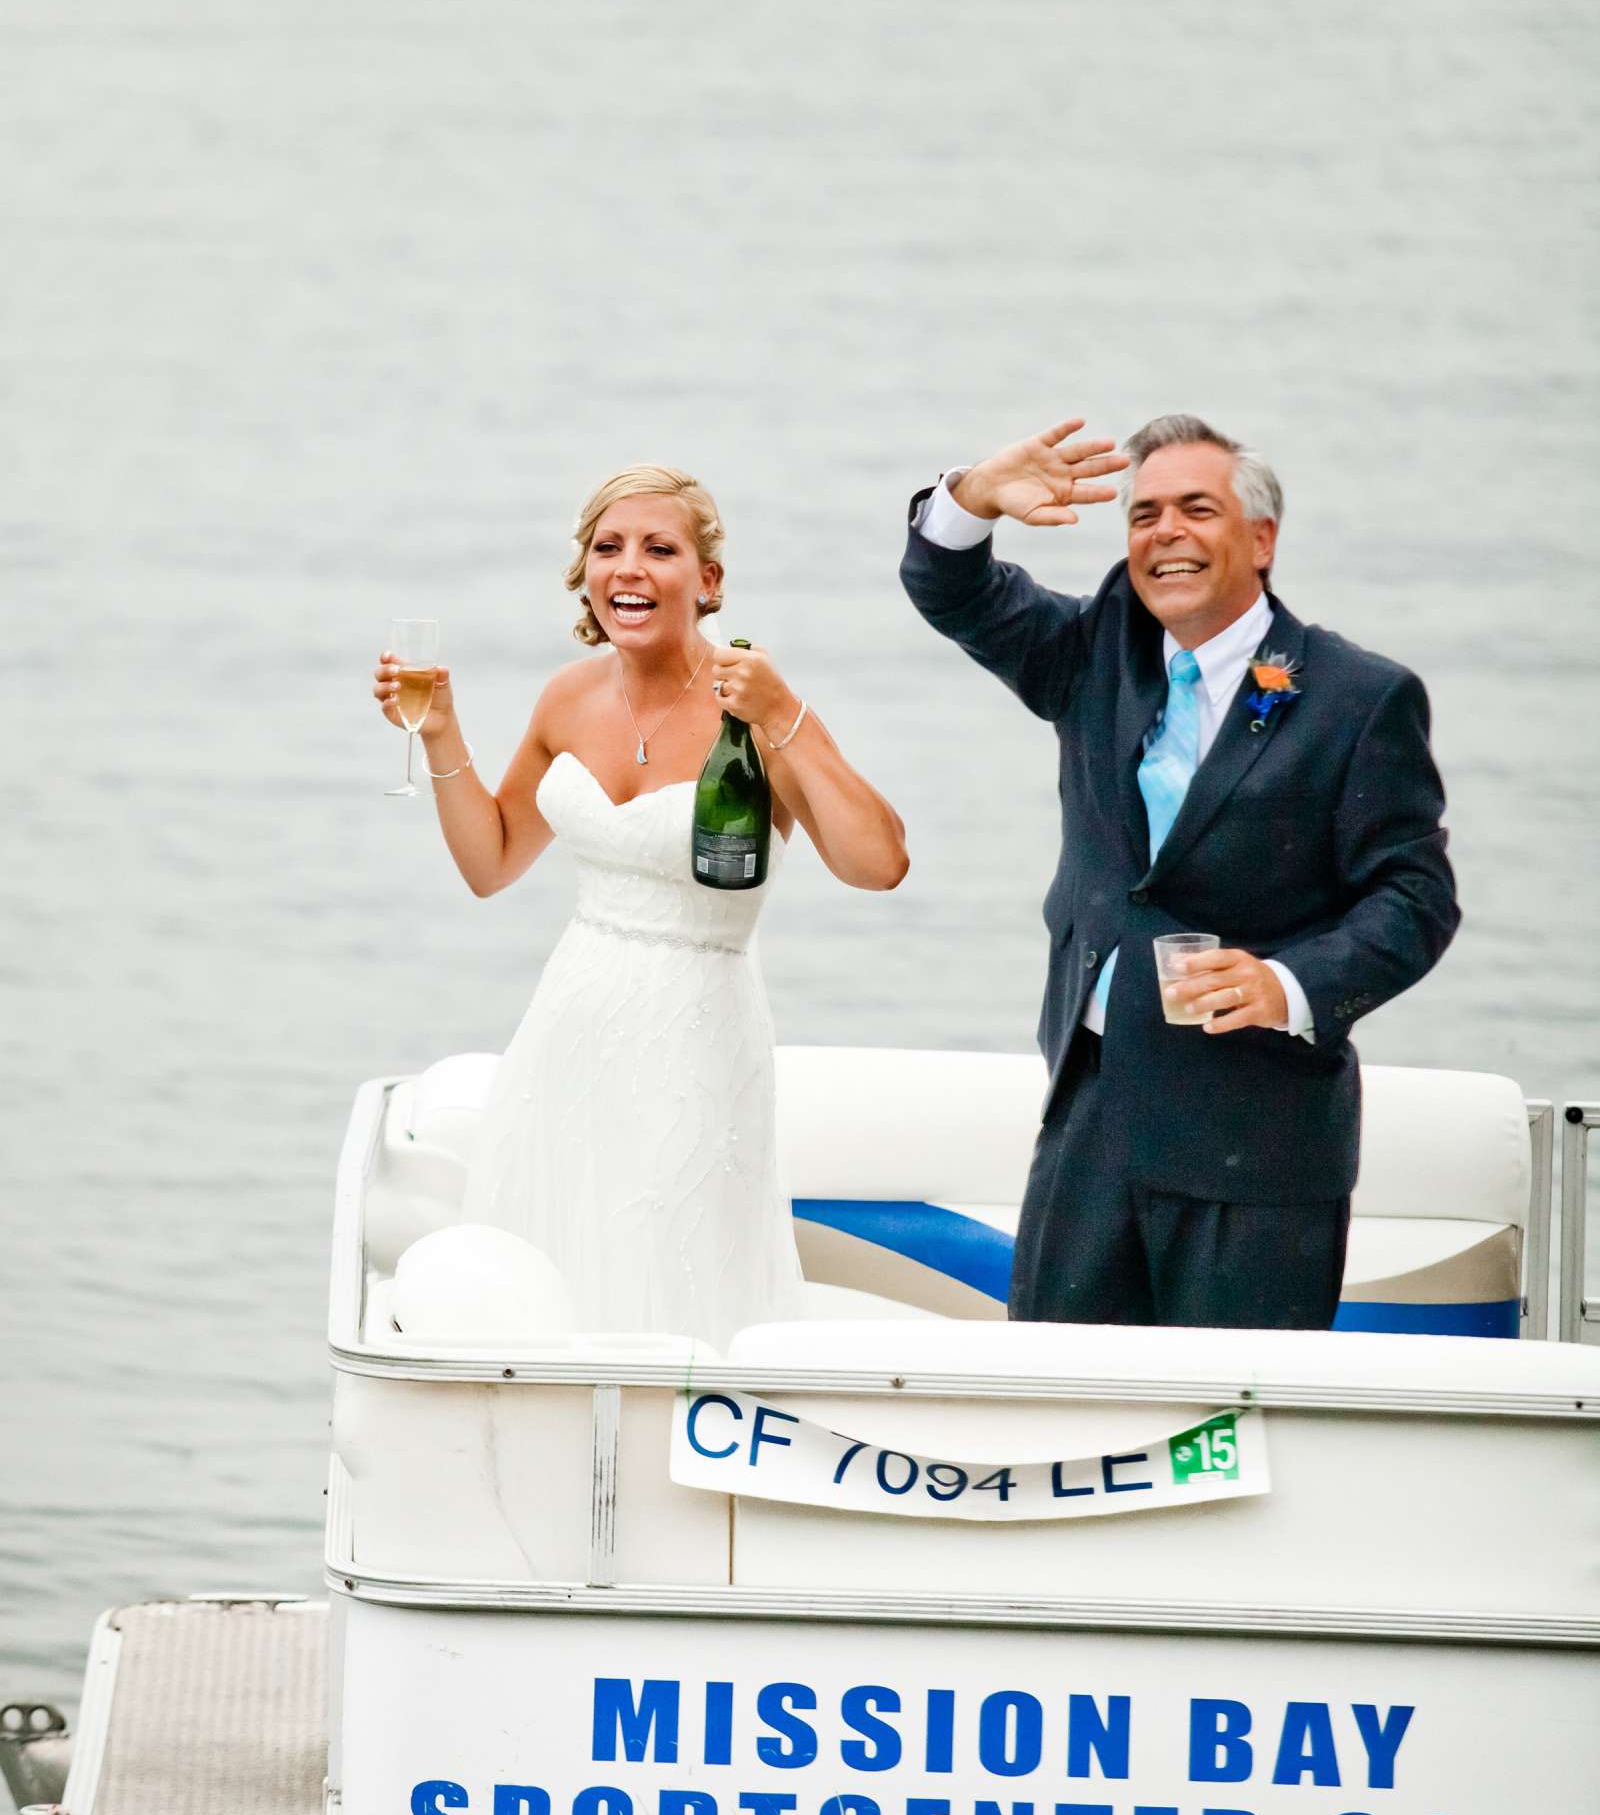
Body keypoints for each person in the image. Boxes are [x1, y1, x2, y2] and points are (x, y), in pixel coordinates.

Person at [899, 412, 1460, 1330]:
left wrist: (1288, 984)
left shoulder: (1357, 698)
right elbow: (951, 588)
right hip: (1093, 1115)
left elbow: (1415, 896)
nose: (1166, 533)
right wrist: (973, 497)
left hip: (1259, 1138)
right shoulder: (1093, 654)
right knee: (1058, 1411)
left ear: (1261, 540)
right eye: (1145, 514)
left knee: (1237, 1430)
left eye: (1197, 510)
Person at [374, 463, 907, 1349]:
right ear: (585, 573)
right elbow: (491, 861)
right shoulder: (567, 697)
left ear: (708, 582)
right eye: (607, 547)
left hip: (699, 1035)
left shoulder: (754, 705)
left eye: (660, 549)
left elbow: (878, 863)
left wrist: (790, 718)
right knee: (551, 1254)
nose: (629, 567)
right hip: (567, 1031)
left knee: (669, 1263)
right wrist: (442, 732)